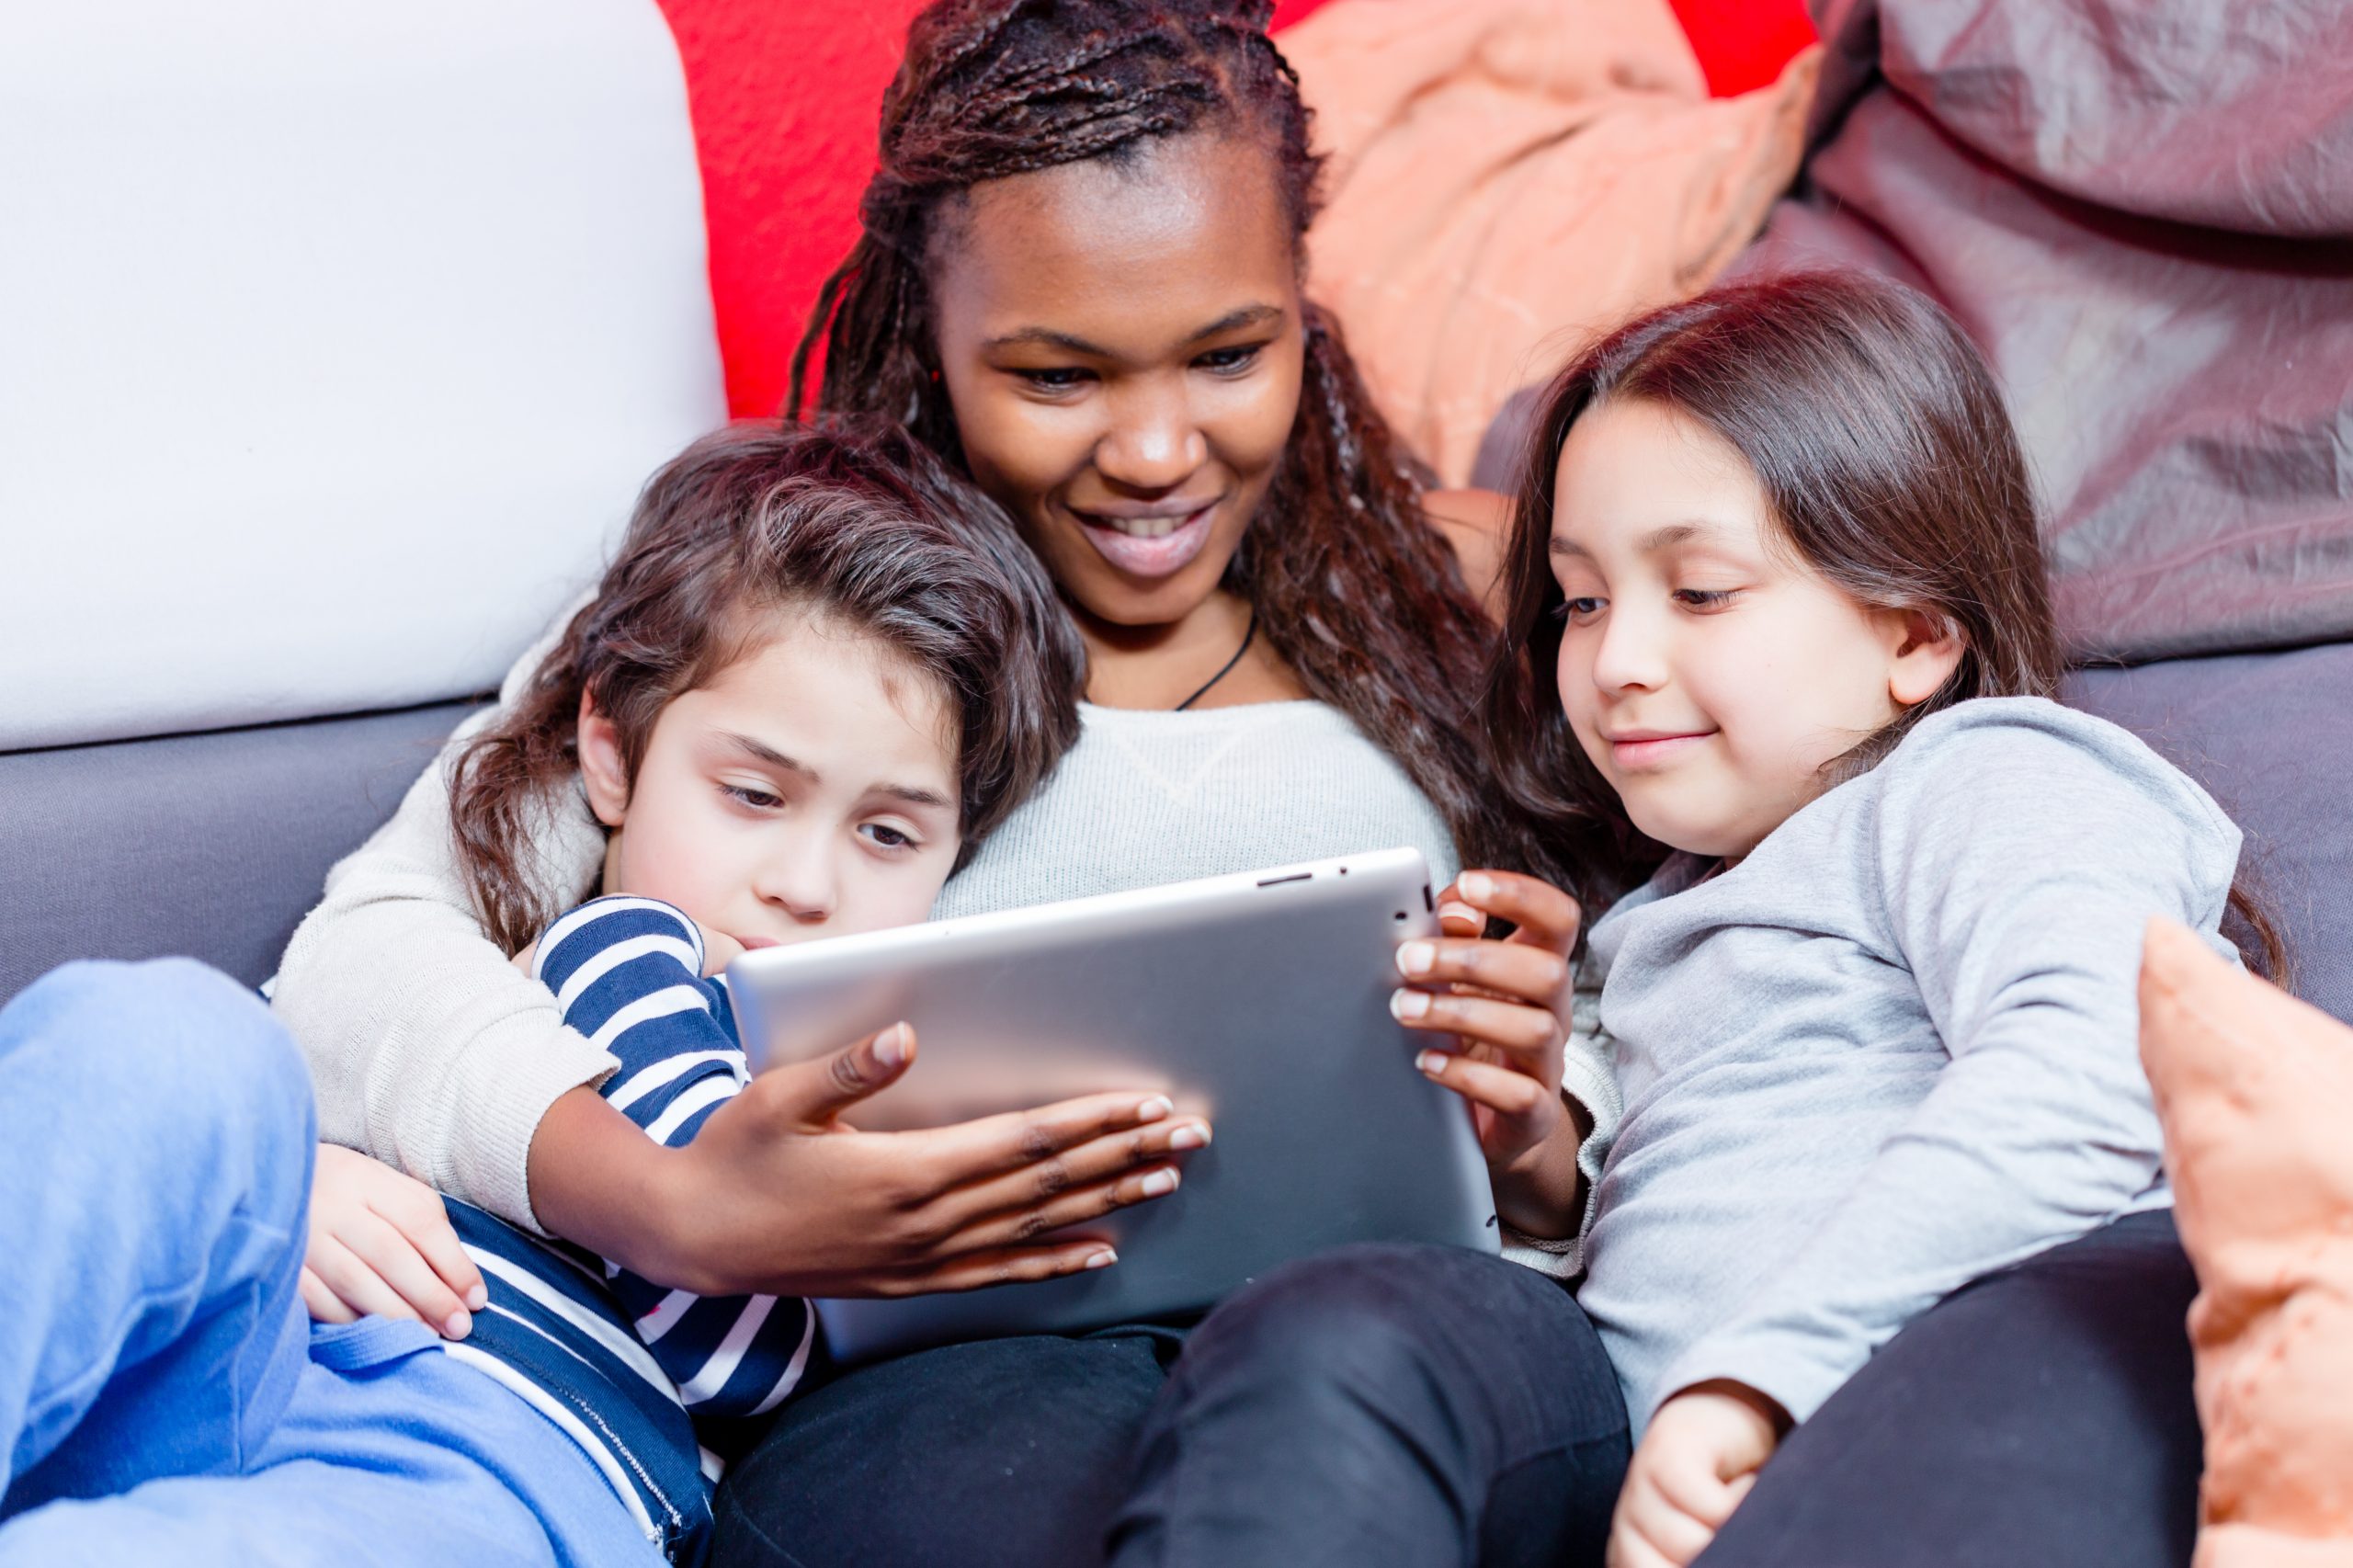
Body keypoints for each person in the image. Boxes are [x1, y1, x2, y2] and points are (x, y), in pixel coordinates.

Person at [271, 3, 1635, 1566]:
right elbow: (365, 953)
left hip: (1406, 1328)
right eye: (1057, 373)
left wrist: (1536, 1124)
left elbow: (1706, 993)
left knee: (1327, 1375)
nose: (1155, 450)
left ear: (1303, 306)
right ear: (931, 335)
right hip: (954, 1390)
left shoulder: (1467, 582)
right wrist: (663, 1202)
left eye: (1231, 352)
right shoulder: (789, 595)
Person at [1, 418, 1147, 1564]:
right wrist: (285, 1176)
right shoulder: (625, 951)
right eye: (752, 794)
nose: (804, 883)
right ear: (606, 751)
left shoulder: (901, 1056)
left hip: (506, 1445)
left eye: (888, 832)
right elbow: (727, 1321)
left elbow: (720, 1362)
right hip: (260, 1337)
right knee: (177, 1044)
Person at [1451, 269, 2286, 1568]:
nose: (1614, 662)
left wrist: (1756, 1379)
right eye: (1583, 599)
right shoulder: (1652, 923)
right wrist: (1534, 1162)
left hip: (1960, 1402)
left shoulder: (1981, 773)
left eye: (1703, 590)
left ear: (1914, 630)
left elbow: (2100, 1065)